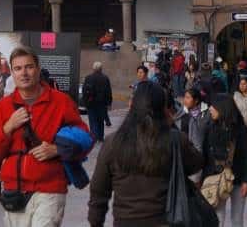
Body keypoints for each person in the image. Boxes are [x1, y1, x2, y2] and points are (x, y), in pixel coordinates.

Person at [0, 47, 92, 227]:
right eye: (18, 69)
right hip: (14, 190)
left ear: (38, 69)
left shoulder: (60, 102)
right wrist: (8, 127)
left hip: (49, 187)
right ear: (12, 72)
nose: (24, 73)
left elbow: (84, 139)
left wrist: (57, 149)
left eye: (29, 67)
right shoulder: (3, 107)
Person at [87, 81, 202, 227]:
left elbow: (99, 191)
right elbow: (196, 163)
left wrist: (95, 222)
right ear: (163, 108)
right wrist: (171, 124)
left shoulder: (113, 142)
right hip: (164, 220)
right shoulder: (175, 140)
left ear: (132, 105)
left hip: (125, 221)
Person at [202, 95, 247, 227]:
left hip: (238, 179)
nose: (210, 109)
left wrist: (246, 180)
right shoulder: (210, 128)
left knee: (237, 218)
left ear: (222, 108)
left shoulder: (241, 130)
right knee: (217, 217)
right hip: (216, 179)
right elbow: (205, 155)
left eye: (213, 107)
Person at [174, 88, 210, 169]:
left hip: (196, 152)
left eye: (188, 98)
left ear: (196, 100)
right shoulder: (183, 110)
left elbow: (201, 133)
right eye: (184, 97)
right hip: (182, 149)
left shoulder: (204, 113)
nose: (184, 100)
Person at [81, 62, 113, 143]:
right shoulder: (105, 78)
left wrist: (85, 102)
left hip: (91, 103)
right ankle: (100, 137)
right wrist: (109, 103)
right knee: (100, 121)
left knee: (93, 121)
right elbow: (108, 91)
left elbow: (84, 91)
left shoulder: (88, 78)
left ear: (93, 68)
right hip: (102, 103)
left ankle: (94, 137)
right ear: (101, 68)